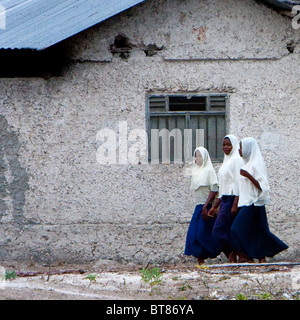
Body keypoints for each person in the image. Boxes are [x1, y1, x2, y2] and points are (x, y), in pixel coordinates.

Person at [231, 137, 288, 262]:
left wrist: (249, 176)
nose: (239, 150)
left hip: (254, 203)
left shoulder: (256, 164)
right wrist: (236, 202)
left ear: (248, 149)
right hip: (246, 202)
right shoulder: (245, 164)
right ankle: (259, 257)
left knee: (236, 229)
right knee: (257, 231)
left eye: (241, 148)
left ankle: (250, 255)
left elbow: (263, 187)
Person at [208, 134, 243, 262]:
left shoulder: (236, 160)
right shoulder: (226, 161)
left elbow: (239, 182)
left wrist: (235, 204)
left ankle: (239, 253)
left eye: (229, 144)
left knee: (219, 230)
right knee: (224, 231)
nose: (226, 147)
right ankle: (233, 255)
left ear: (234, 145)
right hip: (225, 200)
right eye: (224, 145)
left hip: (233, 199)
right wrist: (215, 206)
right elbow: (223, 187)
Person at [184, 147, 220, 265]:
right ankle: (200, 260)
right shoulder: (196, 172)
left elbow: (214, 189)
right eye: (196, 156)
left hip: (206, 206)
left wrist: (206, 206)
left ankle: (225, 252)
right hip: (198, 206)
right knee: (194, 233)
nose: (198, 159)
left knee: (203, 234)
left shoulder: (209, 171)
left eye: (200, 156)